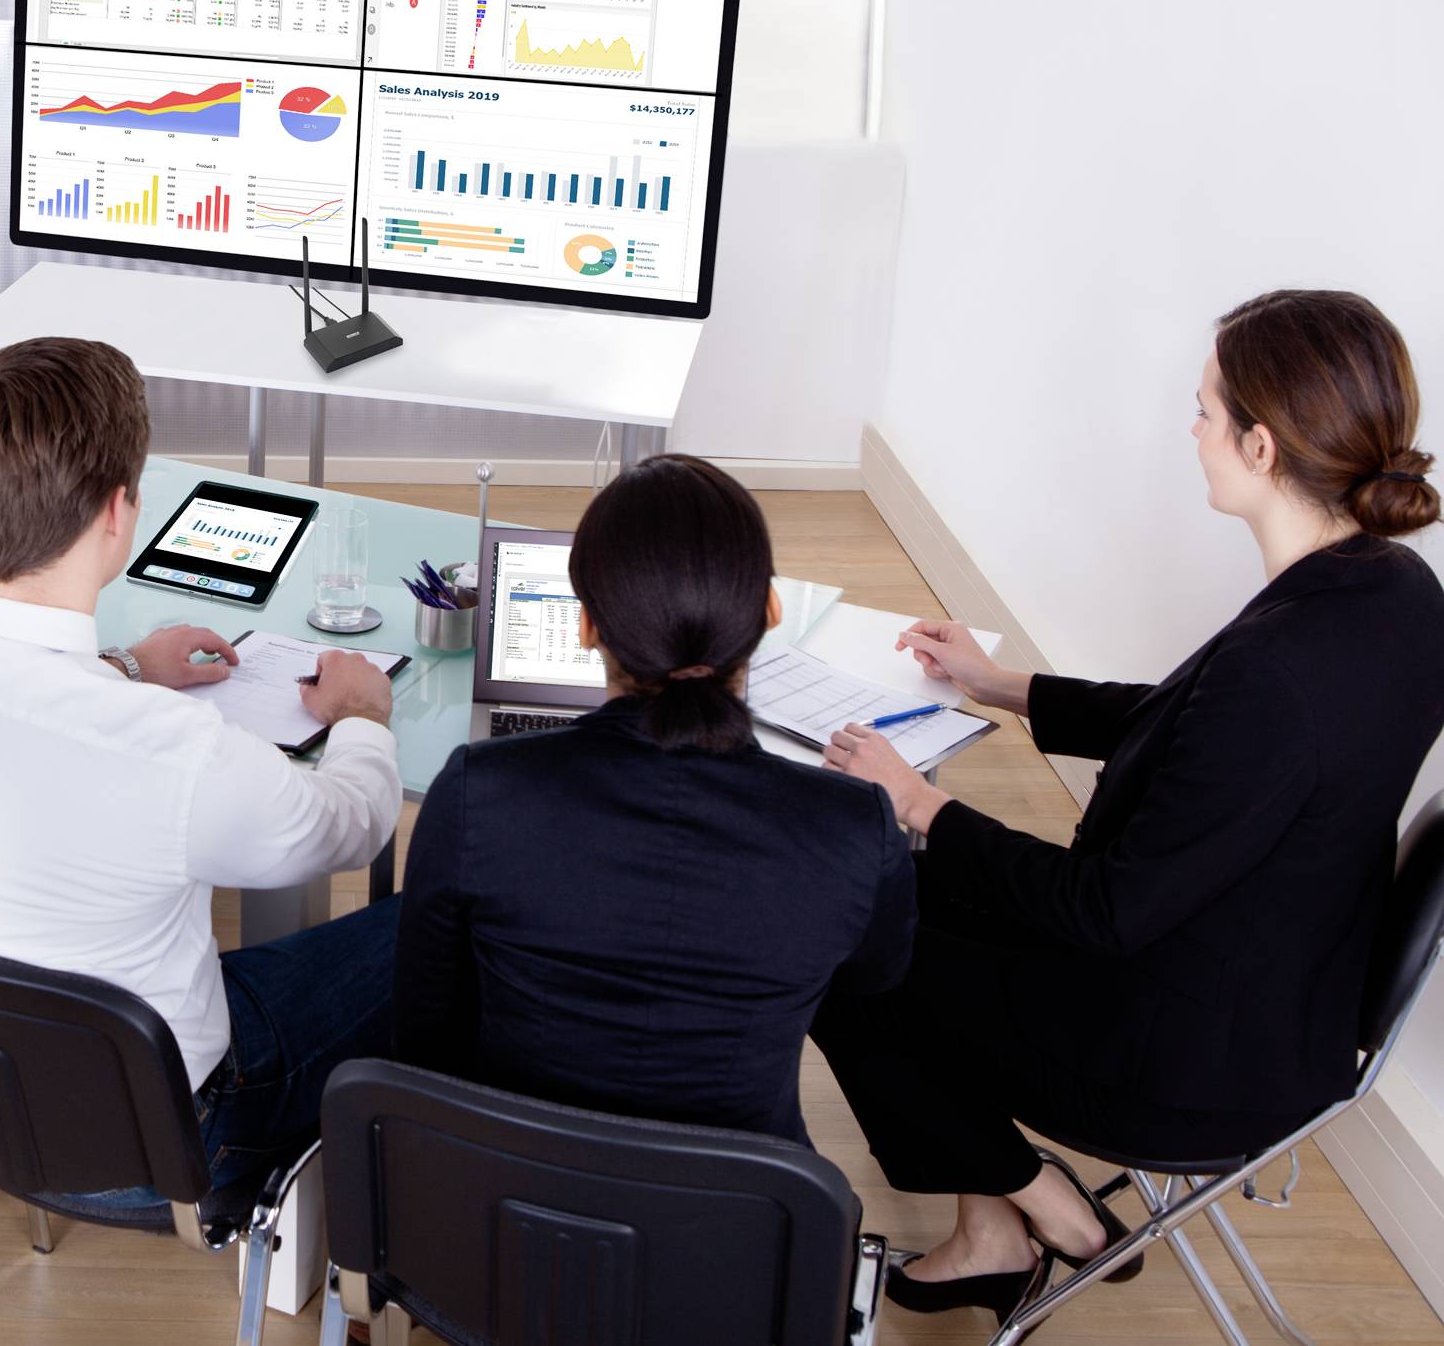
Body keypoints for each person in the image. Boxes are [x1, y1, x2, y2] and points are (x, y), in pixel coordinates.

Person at [813, 288, 1444, 1320]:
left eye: (1202, 410)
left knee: (842, 934)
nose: (1188, 430)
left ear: (1257, 444)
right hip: (1273, 991)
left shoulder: (1276, 673)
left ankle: (1043, 1206)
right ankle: (984, 1234)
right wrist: (1001, 686)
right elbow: (1195, 729)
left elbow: (1100, 910)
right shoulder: (1388, 594)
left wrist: (922, 807)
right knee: (889, 890)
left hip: (1181, 1054)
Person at [0, 336, 402, 1191]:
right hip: (159, 1139)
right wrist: (361, 718)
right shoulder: (173, 748)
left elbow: (14, 718)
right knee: (433, 927)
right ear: (118, 512)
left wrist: (119, 665)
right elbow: (346, 826)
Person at [393, 454, 915, 1145]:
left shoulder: (477, 792)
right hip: (740, 1226)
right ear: (770, 608)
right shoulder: (857, 827)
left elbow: (425, 1026)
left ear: (585, 628)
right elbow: (870, 983)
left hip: (505, 1201)